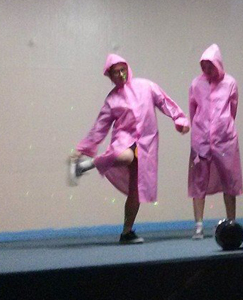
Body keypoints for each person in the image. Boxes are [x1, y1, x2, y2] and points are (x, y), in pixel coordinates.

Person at [69, 54, 189, 244]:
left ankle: (126, 232)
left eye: (122, 70)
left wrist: (179, 119)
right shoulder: (112, 100)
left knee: (136, 190)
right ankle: (87, 164)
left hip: (146, 143)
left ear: (127, 68)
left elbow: (164, 101)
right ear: (110, 76)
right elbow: (100, 127)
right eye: (116, 72)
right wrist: (82, 149)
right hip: (124, 139)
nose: (120, 74)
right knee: (125, 157)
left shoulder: (146, 86)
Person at [187, 44, 243, 240]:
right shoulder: (196, 84)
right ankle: (199, 226)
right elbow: (193, 110)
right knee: (198, 181)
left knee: (230, 180)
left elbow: (232, 109)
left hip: (225, 139)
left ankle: (232, 223)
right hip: (201, 139)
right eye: (203, 66)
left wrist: (223, 126)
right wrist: (199, 130)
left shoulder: (230, 83)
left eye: (210, 65)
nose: (206, 69)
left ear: (218, 63)